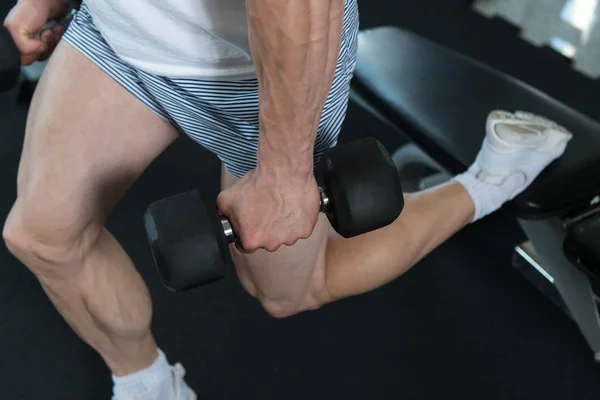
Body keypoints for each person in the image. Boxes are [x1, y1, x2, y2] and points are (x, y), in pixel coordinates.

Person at [2, 0, 572, 399]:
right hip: (118, 36)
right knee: (43, 235)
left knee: (293, 290)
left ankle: (491, 181)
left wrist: (284, 174)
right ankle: (150, 386)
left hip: (262, 69)